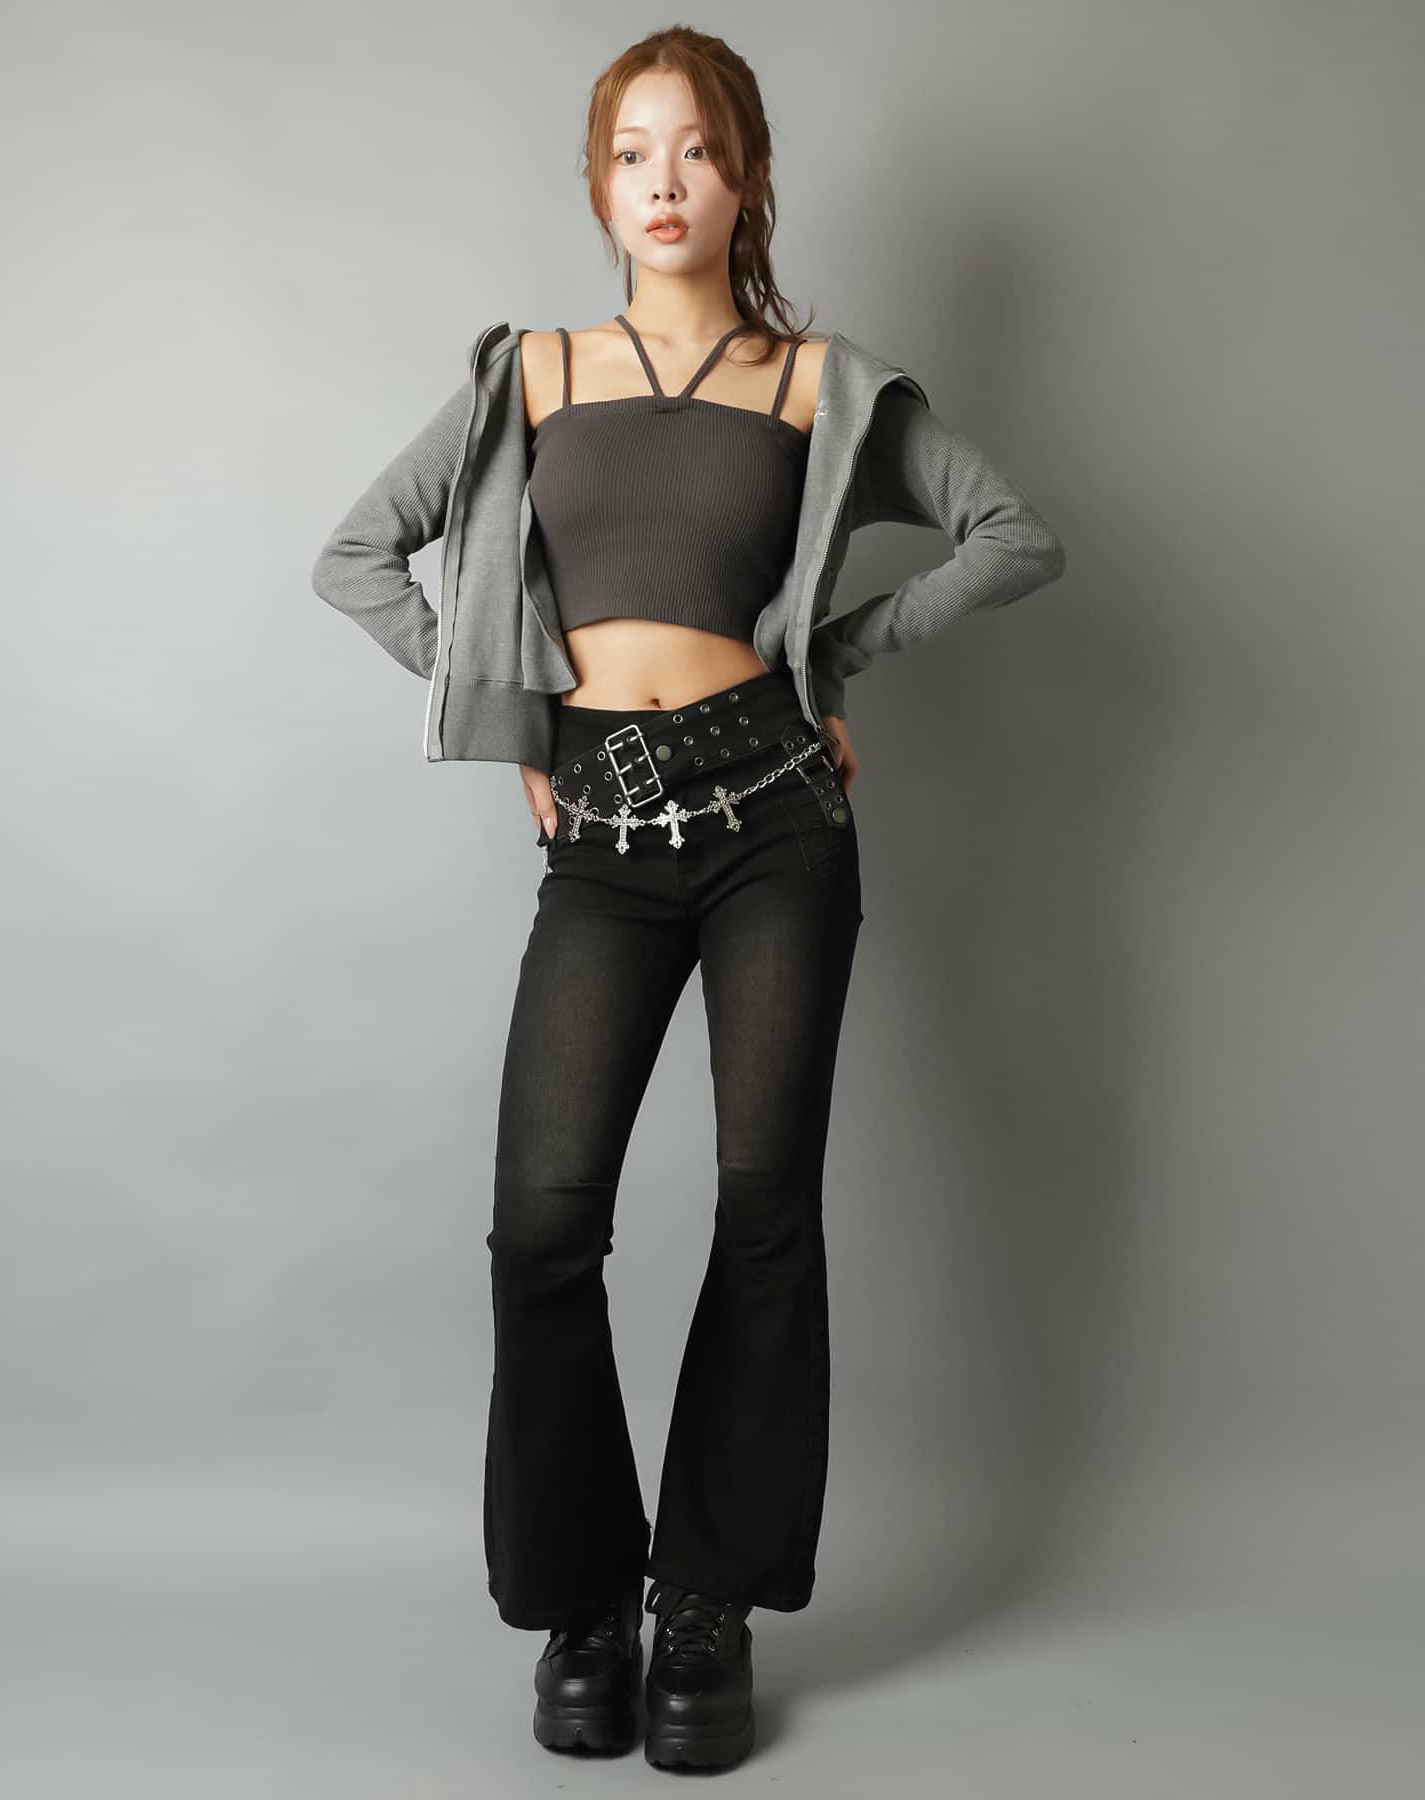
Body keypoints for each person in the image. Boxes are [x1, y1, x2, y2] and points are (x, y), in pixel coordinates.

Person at [311, 24, 1067, 1772]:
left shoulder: (819, 386)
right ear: (599, 186)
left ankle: (706, 1605)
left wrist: (831, 659)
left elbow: (1014, 536)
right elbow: (356, 555)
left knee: (763, 1207)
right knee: (542, 1222)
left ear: (750, 179)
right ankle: (586, 1601)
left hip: (777, 821)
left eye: (699, 151)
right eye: (634, 152)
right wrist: (508, 704)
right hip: (604, 833)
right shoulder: (534, 376)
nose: (665, 182)